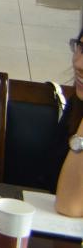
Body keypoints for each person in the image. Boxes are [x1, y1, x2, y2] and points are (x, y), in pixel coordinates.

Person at [45, 29, 83, 214]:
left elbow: (69, 206)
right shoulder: (77, 106)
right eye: (81, 48)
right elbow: (52, 182)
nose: (78, 63)